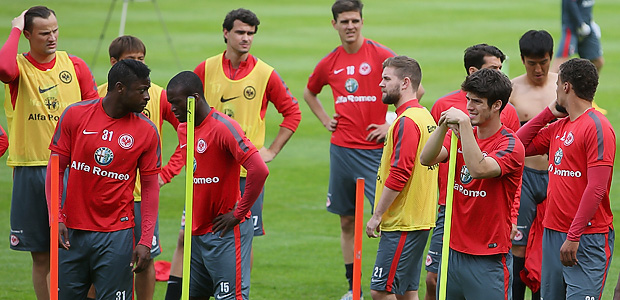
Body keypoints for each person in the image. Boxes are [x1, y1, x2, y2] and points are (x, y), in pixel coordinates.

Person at [164, 8, 301, 300]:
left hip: (245, 172)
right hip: (208, 171)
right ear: (226, 33)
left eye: (251, 33)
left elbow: (292, 113)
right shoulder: (206, 68)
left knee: (240, 238)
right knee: (187, 234)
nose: (246, 38)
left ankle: (234, 289)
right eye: (240, 32)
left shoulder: (265, 74)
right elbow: (185, 108)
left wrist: (272, 151)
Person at [304, 1, 423, 298]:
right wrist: (324, 119)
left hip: (373, 153)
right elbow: (310, 92)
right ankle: (351, 286)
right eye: (344, 21)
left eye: (355, 20)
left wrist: (391, 122)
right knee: (346, 219)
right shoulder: (329, 62)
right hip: (342, 150)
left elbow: (415, 91)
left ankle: (393, 283)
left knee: (387, 215)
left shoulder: (380, 54)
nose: (350, 26)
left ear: (362, 21)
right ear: (334, 24)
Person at [0, 6, 98, 299]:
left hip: (71, 170)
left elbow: (93, 113)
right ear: (28, 35)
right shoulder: (18, 68)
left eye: (55, 30)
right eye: (44, 33)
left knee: (81, 250)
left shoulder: (75, 66)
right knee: (41, 255)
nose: (52, 37)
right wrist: (14, 28)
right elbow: (3, 70)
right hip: (31, 168)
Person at [46, 59, 160, 299]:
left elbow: (150, 188)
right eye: (142, 90)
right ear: (120, 88)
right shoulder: (75, 115)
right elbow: (55, 169)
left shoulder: (147, 131)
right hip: (72, 234)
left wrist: (146, 240)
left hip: (116, 235)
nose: (148, 97)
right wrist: (55, 218)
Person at [423, 43, 520, 300]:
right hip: (452, 252)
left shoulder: (510, 144)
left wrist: (464, 126)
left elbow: (478, 169)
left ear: (497, 105)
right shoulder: (458, 135)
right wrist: (443, 126)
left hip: (488, 258)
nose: (469, 107)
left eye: (477, 102)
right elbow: (426, 158)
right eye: (468, 100)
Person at [517, 58, 615, 300]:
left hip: (585, 237)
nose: (555, 87)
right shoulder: (560, 127)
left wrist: (574, 236)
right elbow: (517, 146)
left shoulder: (597, 126)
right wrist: (548, 112)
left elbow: (597, 187)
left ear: (566, 86)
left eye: (558, 82)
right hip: (552, 233)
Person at [166, 71, 269, 300]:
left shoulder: (224, 127)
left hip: (225, 232)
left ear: (194, 98)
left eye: (176, 103)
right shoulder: (185, 128)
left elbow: (259, 169)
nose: (172, 109)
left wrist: (239, 213)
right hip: (197, 233)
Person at [94, 35, 183, 300]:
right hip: (104, 196)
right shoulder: (97, 96)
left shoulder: (156, 94)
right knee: (97, 259)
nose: (138, 66)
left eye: (141, 60)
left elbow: (188, 134)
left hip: (140, 198)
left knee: (144, 259)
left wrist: (166, 173)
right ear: (114, 64)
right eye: (131, 61)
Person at [365, 56, 437, 300]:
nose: (380, 84)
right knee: (407, 291)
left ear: (405, 83)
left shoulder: (406, 121)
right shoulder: (425, 116)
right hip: (419, 218)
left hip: (403, 221)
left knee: (380, 291)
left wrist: (377, 216)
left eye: (386, 78)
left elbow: (400, 173)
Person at [508, 29, 556, 300]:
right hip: (524, 177)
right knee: (519, 245)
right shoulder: (512, 90)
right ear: (522, 59)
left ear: (551, 58)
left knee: (548, 245)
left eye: (544, 62)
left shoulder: (562, 86)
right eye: (532, 63)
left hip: (556, 176)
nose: (538, 69)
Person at [551, 0, 603, 72]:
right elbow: (569, 3)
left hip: (588, 26)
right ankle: (549, 82)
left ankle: (583, 82)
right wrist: (579, 24)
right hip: (572, 29)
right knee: (560, 64)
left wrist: (590, 21)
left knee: (597, 61)